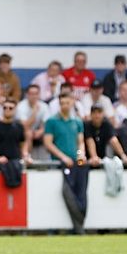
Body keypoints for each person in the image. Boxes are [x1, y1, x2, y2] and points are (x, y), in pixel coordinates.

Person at [43, 92, 87, 234]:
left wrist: (80, 156)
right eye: (62, 103)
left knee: (78, 194)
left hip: (75, 164)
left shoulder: (77, 121)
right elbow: (48, 143)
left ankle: (77, 227)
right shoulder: (52, 121)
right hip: (58, 165)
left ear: (72, 103)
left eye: (67, 103)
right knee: (64, 194)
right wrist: (62, 157)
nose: (64, 106)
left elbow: (80, 142)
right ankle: (73, 227)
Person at [0, 98, 29, 166]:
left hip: (15, 163)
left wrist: (25, 155)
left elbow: (23, 144)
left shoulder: (19, 127)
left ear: (15, 110)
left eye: (10, 108)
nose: (7, 110)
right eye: (5, 107)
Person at [16, 84, 49, 160]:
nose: (34, 96)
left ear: (39, 94)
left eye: (36, 94)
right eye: (31, 94)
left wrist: (40, 131)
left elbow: (46, 124)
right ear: (27, 95)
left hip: (37, 131)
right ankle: (26, 157)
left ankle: (46, 161)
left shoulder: (44, 106)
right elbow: (24, 126)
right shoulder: (21, 106)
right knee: (28, 133)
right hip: (22, 131)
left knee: (49, 133)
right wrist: (34, 113)